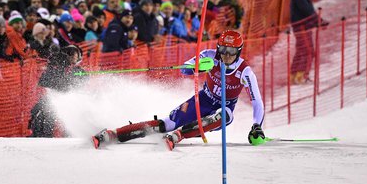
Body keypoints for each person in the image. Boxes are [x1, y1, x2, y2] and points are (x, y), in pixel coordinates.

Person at [92, 30, 265, 150]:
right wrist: (196, 68)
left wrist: (257, 126)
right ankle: (113, 134)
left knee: (225, 115)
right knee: (166, 123)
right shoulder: (210, 56)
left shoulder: (245, 71)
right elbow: (185, 68)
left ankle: (179, 135)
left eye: (231, 51)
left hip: (224, 107)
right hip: (202, 100)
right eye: (223, 49)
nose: (226, 54)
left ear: (239, 51)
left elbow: (257, 101)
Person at [289, 0, 323, 84]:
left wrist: (318, 21)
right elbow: (307, 11)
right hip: (301, 26)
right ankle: (302, 75)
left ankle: (294, 75)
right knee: (308, 51)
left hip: (304, 26)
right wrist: (318, 21)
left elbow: (308, 11)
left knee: (301, 50)